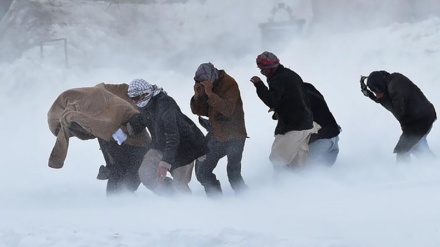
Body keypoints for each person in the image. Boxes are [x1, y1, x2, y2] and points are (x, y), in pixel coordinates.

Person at [47, 83, 151, 196]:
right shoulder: (95, 103)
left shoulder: (86, 112)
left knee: (122, 191)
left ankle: (170, 198)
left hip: (137, 150)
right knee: (120, 192)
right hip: (131, 152)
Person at [124, 79, 208, 196]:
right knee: (146, 174)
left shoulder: (166, 105)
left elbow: (173, 137)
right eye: (131, 98)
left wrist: (164, 164)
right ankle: (170, 199)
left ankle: (188, 207)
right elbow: (143, 119)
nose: (133, 102)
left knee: (180, 184)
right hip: (160, 145)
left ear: (145, 94)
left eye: (135, 98)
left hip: (184, 148)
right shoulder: (144, 104)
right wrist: (126, 130)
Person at [250, 51, 320, 172]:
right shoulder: (290, 74)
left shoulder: (279, 79)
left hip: (294, 126)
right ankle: (298, 187)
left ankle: (282, 185)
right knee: (298, 162)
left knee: (277, 159)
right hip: (305, 122)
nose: (262, 72)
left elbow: (272, 101)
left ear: (270, 68)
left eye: (263, 69)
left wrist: (259, 85)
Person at [190, 62, 248, 197]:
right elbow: (200, 111)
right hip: (216, 134)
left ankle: (247, 201)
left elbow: (228, 110)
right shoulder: (208, 84)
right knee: (202, 172)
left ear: (211, 77)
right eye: (197, 81)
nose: (201, 84)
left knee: (233, 173)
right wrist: (197, 96)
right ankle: (216, 201)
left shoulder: (229, 84)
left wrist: (210, 93)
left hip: (235, 135)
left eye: (203, 81)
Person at [360, 70, 437, 163]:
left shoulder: (395, 88)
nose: (376, 94)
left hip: (419, 122)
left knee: (403, 152)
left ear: (379, 86)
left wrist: (381, 99)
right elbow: (390, 100)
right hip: (423, 117)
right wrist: (371, 95)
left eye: (375, 91)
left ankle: (406, 175)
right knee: (417, 148)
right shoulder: (393, 80)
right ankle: (433, 167)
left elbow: (399, 113)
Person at [303, 82, 341, 166]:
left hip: (321, 141)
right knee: (321, 173)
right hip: (334, 136)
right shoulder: (307, 87)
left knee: (305, 172)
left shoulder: (296, 95)